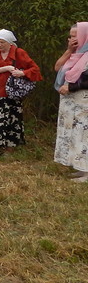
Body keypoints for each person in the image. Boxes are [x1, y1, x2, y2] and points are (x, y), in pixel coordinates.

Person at [0, 29, 42, 156]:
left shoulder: (19, 53)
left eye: (2, 42)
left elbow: (35, 70)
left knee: (10, 120)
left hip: (10, 94)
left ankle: (9, 148)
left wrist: (22, 73)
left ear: (9, 42)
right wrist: (5, 68)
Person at [54, 22, 88, 181]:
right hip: (71, 102)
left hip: (83, 102)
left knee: (84, 134)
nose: (71, 39)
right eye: (70, 36)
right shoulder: (76, 55)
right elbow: (57, 68)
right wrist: (69, 50)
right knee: (74, 134)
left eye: (75, 36)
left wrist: (72, 87)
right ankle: (81, 168)